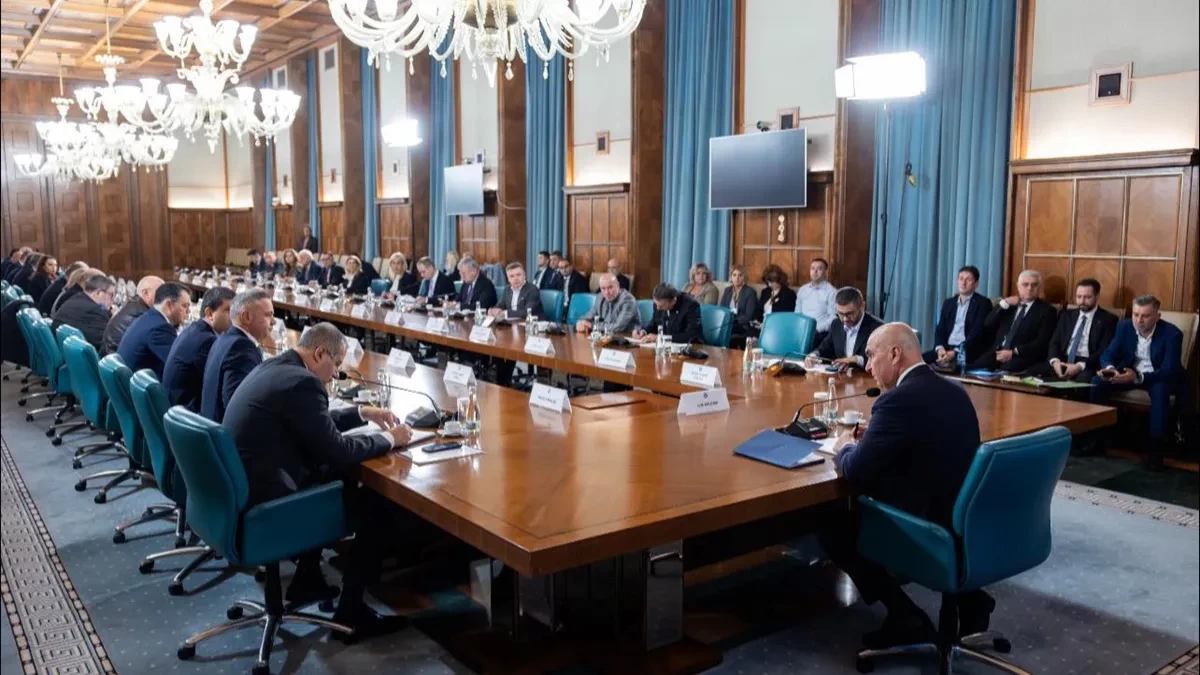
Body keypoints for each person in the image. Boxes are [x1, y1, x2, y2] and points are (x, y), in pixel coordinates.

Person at [223, 323, 416, 636]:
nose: (336, 374)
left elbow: (313, 422)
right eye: (336, 364)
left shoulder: (277, 367)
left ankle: (307, 580)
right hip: (268, 507)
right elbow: (338, 450)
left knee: (334, 475)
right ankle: (351, 613)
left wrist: (362, 413)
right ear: (319, 353)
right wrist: (391, 439)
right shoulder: (303, 382)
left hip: (244, 491)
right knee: (375, 503)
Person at [823, 323, 992, 649]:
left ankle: (904, 616)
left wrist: (844, 447)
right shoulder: (954, 389)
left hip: (929, 528)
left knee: (834, 520)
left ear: (895, 354)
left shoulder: (896, 402)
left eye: (872, 356)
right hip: (967, 520)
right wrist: (878, 438)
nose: (868, 366)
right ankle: (972, 600)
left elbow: (855, 471)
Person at [1092, 295, 1186, 469]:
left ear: (1157, 316)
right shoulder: (1125, 327)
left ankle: (1156, 452)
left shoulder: (1172, 334)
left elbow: (1169, 370)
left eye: (1145, 316)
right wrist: (1110, 369)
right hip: (1129, 373)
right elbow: (1108, 354)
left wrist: (1138, 377)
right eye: (1136, 314)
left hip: (1157, 377)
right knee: (1097, 382)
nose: (1139, 320)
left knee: (1160, 391)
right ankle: (1098, 438)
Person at [201, 288, 275, 423]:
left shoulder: (224, 338)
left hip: (209, 425)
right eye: (268, 315)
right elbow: (239, 407)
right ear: (246, 317)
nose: (273, 321)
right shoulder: (242, 347)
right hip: (223, 432)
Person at [1028, 278, 1118, 382]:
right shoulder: (1066, 315)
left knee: (1082, 380)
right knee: (1030, 373)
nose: (1082, 301)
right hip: (1063, 360)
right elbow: (1055, 342)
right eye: (1079, 297)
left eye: (1087, 297)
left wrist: (1079, 366)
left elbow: (1103, 350)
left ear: (1097, 296)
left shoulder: (1108, 320)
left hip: (1087, 364)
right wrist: (1055, 361)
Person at [162, 287, 234, 412]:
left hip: (175, 408)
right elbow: (218, 384)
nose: (234, 317)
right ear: (210, 314)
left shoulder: (195, 329)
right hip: (185, 414)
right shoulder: (207, 340)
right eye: (229, 311)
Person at [969, 269, 1056, 373]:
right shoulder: (1009, 305)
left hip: (1021, 356)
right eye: (1025, 284)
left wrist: (1013, 352)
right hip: (997, 353)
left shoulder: (1047, 310)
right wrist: (1005, 303)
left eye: (1034, 285)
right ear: (1018, 286)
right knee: (969, 369)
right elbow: (988, 324)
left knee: (1006, 371)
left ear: (1039, 287)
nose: (1029, 288)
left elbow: (1041, 342)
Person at [923, 265, 991, 370]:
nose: (963, 283)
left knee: (953, 366)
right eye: (961, 279)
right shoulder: (949, 303)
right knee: (918, 361)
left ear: (976, 284)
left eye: (968, 280)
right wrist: (940, 348)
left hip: (966, 351)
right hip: (946, 349)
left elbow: (977, 334)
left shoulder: (983, 303)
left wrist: (956, 352)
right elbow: (940, 329)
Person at [117, 282, 190, 378]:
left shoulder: (148, 317)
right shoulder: (161, 328)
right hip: (138, 384)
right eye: (185, 306)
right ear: (169, 305)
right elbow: (180, 367)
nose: (188, 311)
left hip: (129, 380)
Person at [806, 287, 883, 371]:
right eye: (840, 314)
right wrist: (814, 356)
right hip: (841, 376)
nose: (845, 319)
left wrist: (856, 359)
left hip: (866, 376)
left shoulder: (878, 328)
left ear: (862, 306)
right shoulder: (836, 324)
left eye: (849, 313)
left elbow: (881, 359)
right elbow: (824, 349)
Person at [51, 273, 115, 350]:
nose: (113, 300)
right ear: (99, 293)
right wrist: (115, 318)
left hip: (62, 350)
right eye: (111, 295)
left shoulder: (76, 299)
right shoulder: (94, 311)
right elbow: (109, 342)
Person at [102, 275, 163, 355]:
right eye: (161, 293)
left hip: (114, 357)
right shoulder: (141, 314)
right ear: (145, 293)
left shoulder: (134, 305)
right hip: (120, 360)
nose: (165, 297)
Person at [634, 284, 702, 344]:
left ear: (673, 301)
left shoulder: (691, 305)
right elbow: (654, 323)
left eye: (661, 306)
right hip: (666, 347)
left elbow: (691, 335)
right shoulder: (658, 303)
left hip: (691, 347)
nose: (658, 308)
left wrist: (661, 338)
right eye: (656, 304)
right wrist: (644, 331)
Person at [796, 258, 837, 343]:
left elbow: (833, 317)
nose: (815, 271)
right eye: (812, 268)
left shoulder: (832, 291)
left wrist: (816, 329)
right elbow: (797, 312)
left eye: (819, 269)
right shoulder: (802, 289)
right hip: (801, 329)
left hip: (820, 333)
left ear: (826, 272)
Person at [719, 265, 759, 346]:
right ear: (731, 277)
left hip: (743, 326)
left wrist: (732, 320)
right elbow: (722, 310)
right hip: (727, 324)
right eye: (734, 275)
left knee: (728, 333)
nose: (737, 278)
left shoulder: (750, 292)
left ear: (744, 277)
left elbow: (748, 316)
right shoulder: (727, 290)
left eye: (740, 275)